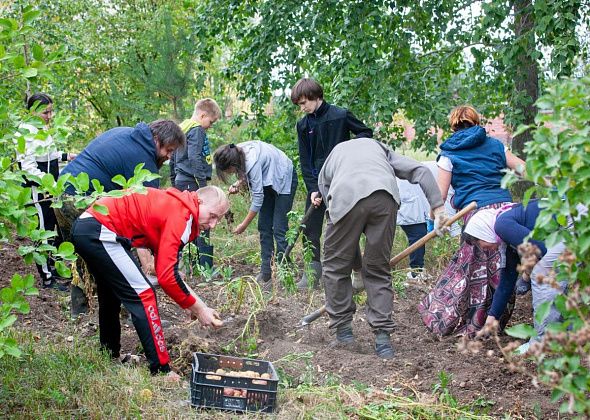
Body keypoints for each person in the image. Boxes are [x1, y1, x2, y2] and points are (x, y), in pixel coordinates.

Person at [71, 186, 228, 376]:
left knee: (111, 293)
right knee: (144, 294)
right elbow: (167, 276)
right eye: (212, 216)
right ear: (199, 202)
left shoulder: (179, 206)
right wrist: (198, 309)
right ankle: (161, 370)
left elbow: (169, 273)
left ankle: (109, 353)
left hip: (90, 227)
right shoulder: (182, 216)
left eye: (218, 219)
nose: (213, 225)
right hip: (100, 230)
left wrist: (199, 306)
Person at [315, 137, 447, 359]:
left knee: (335, 267)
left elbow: (334, 209)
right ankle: (383, 341)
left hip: (345, 197)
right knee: (378, 270)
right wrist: (439, 208)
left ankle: (344, 334)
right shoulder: (379, 148)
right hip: (384, 198)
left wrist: (351, 265)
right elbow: (421, 172)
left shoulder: (334, 155)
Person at [57, 119, 185, 317]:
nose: (168, 157)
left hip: (59, 193)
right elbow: (145, 219)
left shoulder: (124, 132)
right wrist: (151, 265)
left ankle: (81, 311)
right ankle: (129, 307)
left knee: (85, 253)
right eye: (168, 150)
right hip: (79, 199)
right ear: (157, 139)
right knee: (117, 251)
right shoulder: (144, 163)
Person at [418, 105, 526, 337]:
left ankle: (463, 322)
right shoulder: (496, 145)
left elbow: (440, 195)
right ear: (476, 122)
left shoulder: (449, 153)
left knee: (471, 271)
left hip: (477, 216)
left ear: (453, 125)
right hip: (506, 212)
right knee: (503, 268)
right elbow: (523, 168)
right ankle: (494, 324)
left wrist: (432, 218)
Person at [462, 199, 583, 351]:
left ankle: (541, 342)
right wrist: (490, 323)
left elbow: (541, 250)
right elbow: (506, 283)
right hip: (572, 221)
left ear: (483, 231)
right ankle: (567, 331)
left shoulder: (502, 224)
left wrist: (526, 276)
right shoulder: (506, 235)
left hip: (575, 220)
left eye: (479, 242)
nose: (482, 248)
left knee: (543, 272)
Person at [291, 78, 373, 288]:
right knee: (309, 227)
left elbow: (366, 133)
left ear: (315, 96)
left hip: (343, 181)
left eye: (304, 103)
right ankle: (312, 273)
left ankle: (357, 271)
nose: (302, 108)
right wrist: (312, 189)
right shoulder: (303, 125)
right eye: (299, 105)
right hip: (317, 184)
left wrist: (349, 152)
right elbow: (305, 159)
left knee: (344, 225)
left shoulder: (340, 115)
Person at [214, 141, 297, 289]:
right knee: (264, 227)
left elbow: (258, 198)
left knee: (279, 228)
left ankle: (284, 273)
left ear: (233, 165)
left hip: (284, 178)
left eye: (229, 171)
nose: (229, 174)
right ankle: (266, 272)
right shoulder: (234, 151)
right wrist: (239, 183)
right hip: (268, 179)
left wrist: (244, 224)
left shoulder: (251, 161)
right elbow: (248, 174)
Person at [16, 93, 75, 290]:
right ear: (33, 111)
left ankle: (54, 267)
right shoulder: (24, 133)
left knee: (53, 229)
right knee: (43, 231)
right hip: (38, 191)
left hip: (51, 189)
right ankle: (47, 278)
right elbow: (29, 168)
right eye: (45, 112)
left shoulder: (43, 130)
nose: (50, 116)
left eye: (51, 111)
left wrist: (68, 156)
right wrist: (46, 184)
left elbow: (48, 156)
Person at [172, 99, 222, 270]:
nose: (210, 126)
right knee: (204, 222)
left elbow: (172, 157)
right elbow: (194, 157)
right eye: (211, 121)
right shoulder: (197, 130)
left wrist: (174, 181)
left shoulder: (182, 128)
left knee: (186, 223)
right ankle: (205, 267)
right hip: (192, 182)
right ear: (202, 115)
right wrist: (203, 186)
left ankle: (189, 264)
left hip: (181, 181)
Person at [396, 161, 459, 280]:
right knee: (417, 235)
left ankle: (417, 272)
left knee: (417, 235)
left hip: (411, 194)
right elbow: (445, 203)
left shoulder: (444, 168)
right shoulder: (448, 175)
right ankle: (415, 274)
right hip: (409, 198)